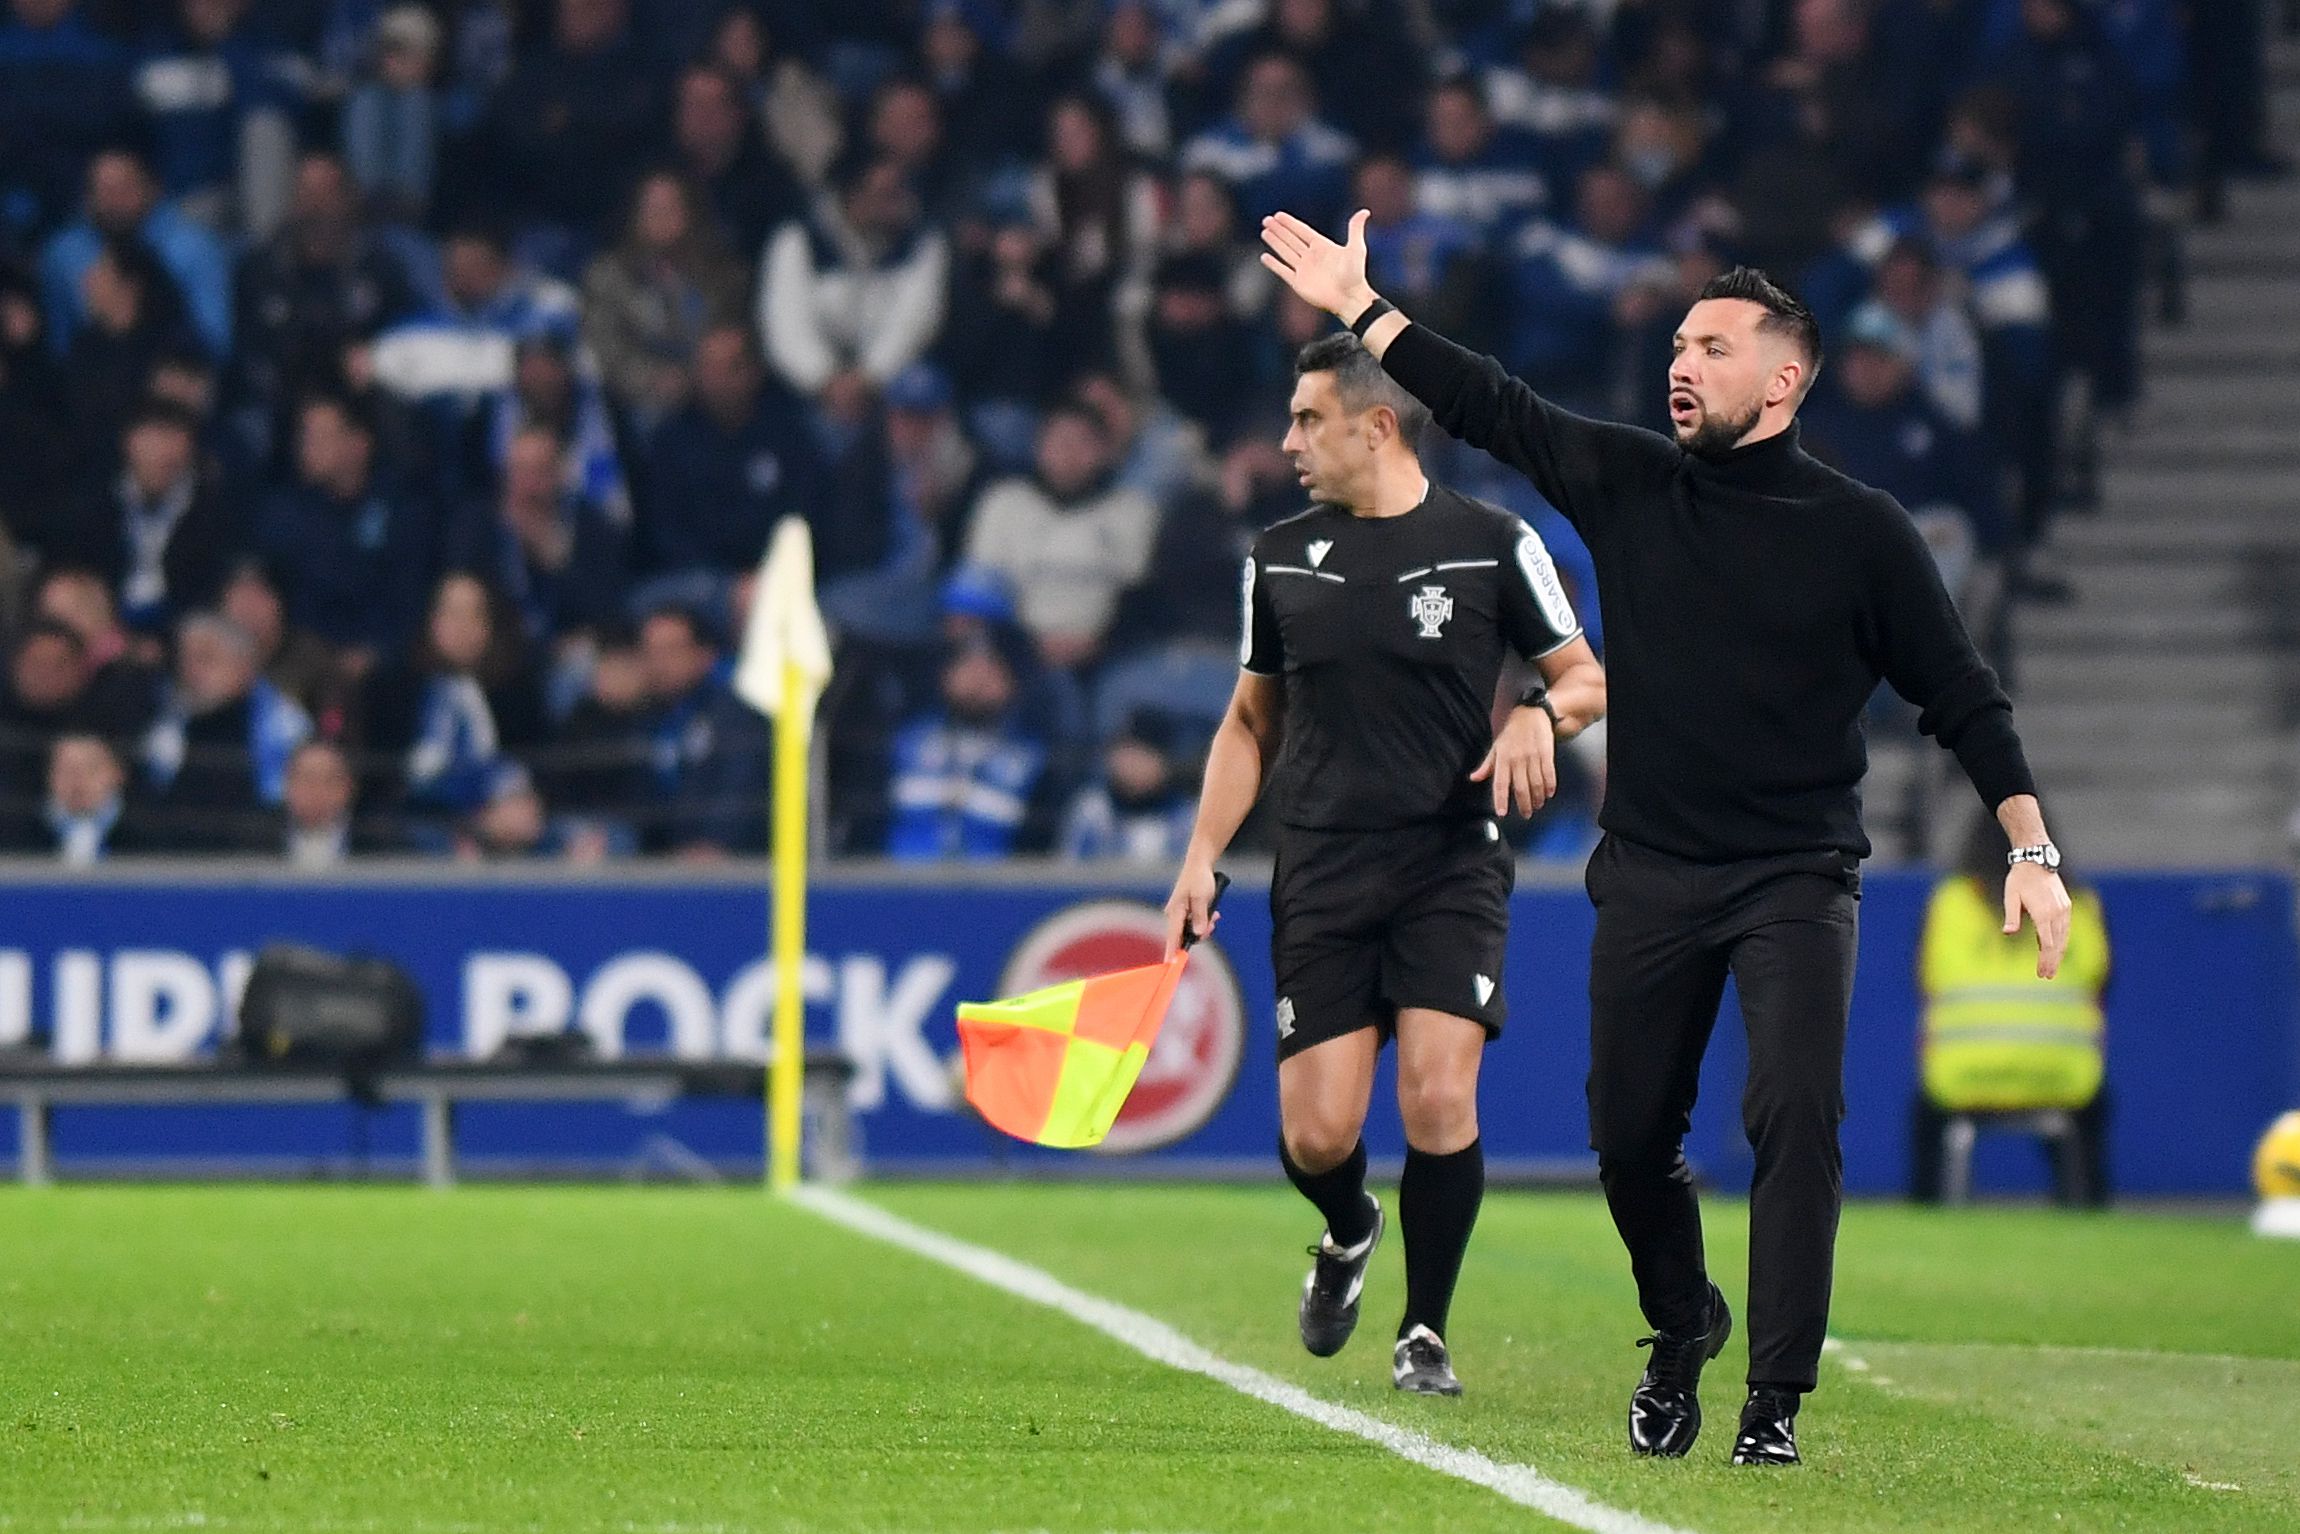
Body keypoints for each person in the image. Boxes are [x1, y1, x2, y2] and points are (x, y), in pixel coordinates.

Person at [1257, 209, 2071, 1463]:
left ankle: (1772, 1403)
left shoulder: (1863, 535)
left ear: (1783, 378)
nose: (1680, 363)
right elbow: (1493, 406)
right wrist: (1365, 311)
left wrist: (2028, 847)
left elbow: (1962, 697)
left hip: (1797, 875)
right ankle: (1683, 1323)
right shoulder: (1633, 485)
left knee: (1794, 1114)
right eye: (1678, 342)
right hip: (1647, 871)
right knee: (1629, 1136)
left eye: (1712, 346)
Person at [1161, 331, 1606, 1397]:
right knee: (1316, 1135)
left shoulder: (1494, 543)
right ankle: (1349, 1224)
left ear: (1376, 424)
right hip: (1317, 866)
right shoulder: (1276, 557)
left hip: (1448, 861)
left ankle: (1424, 1330)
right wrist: (1198, 856)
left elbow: (1585, 676)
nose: (1287, 441)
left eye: (1307, 419)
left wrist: (1540, 718)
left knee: (1438, 1099)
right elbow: (1245, 725)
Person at [1911, 813, 2111, 1206]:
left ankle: (1927, 1212)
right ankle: (2085, 1207)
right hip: (2061, 1076)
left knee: (1924, 1117)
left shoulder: (1949, 904)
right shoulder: (2078, 902)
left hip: (1962, 1077)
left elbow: (1926, 982)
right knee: (2094, 1113)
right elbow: (2099, 981)